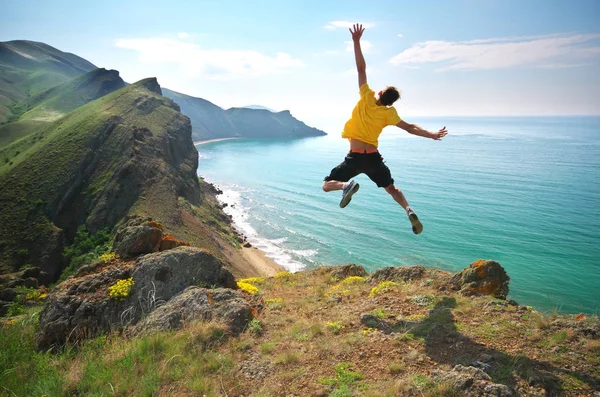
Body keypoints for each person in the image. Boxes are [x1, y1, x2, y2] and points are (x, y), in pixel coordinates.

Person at [322, 24, 448, 234]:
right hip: (373, 159)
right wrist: (431, 134)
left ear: (379, 92)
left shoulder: (366, 96)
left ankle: (345, 187)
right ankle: (408, 210)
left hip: (354, 157)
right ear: (391, 103)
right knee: (391, 189)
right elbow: (410, 128)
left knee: (327, 184)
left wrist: (356, 41)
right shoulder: (390, 114)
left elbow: (361, 69)